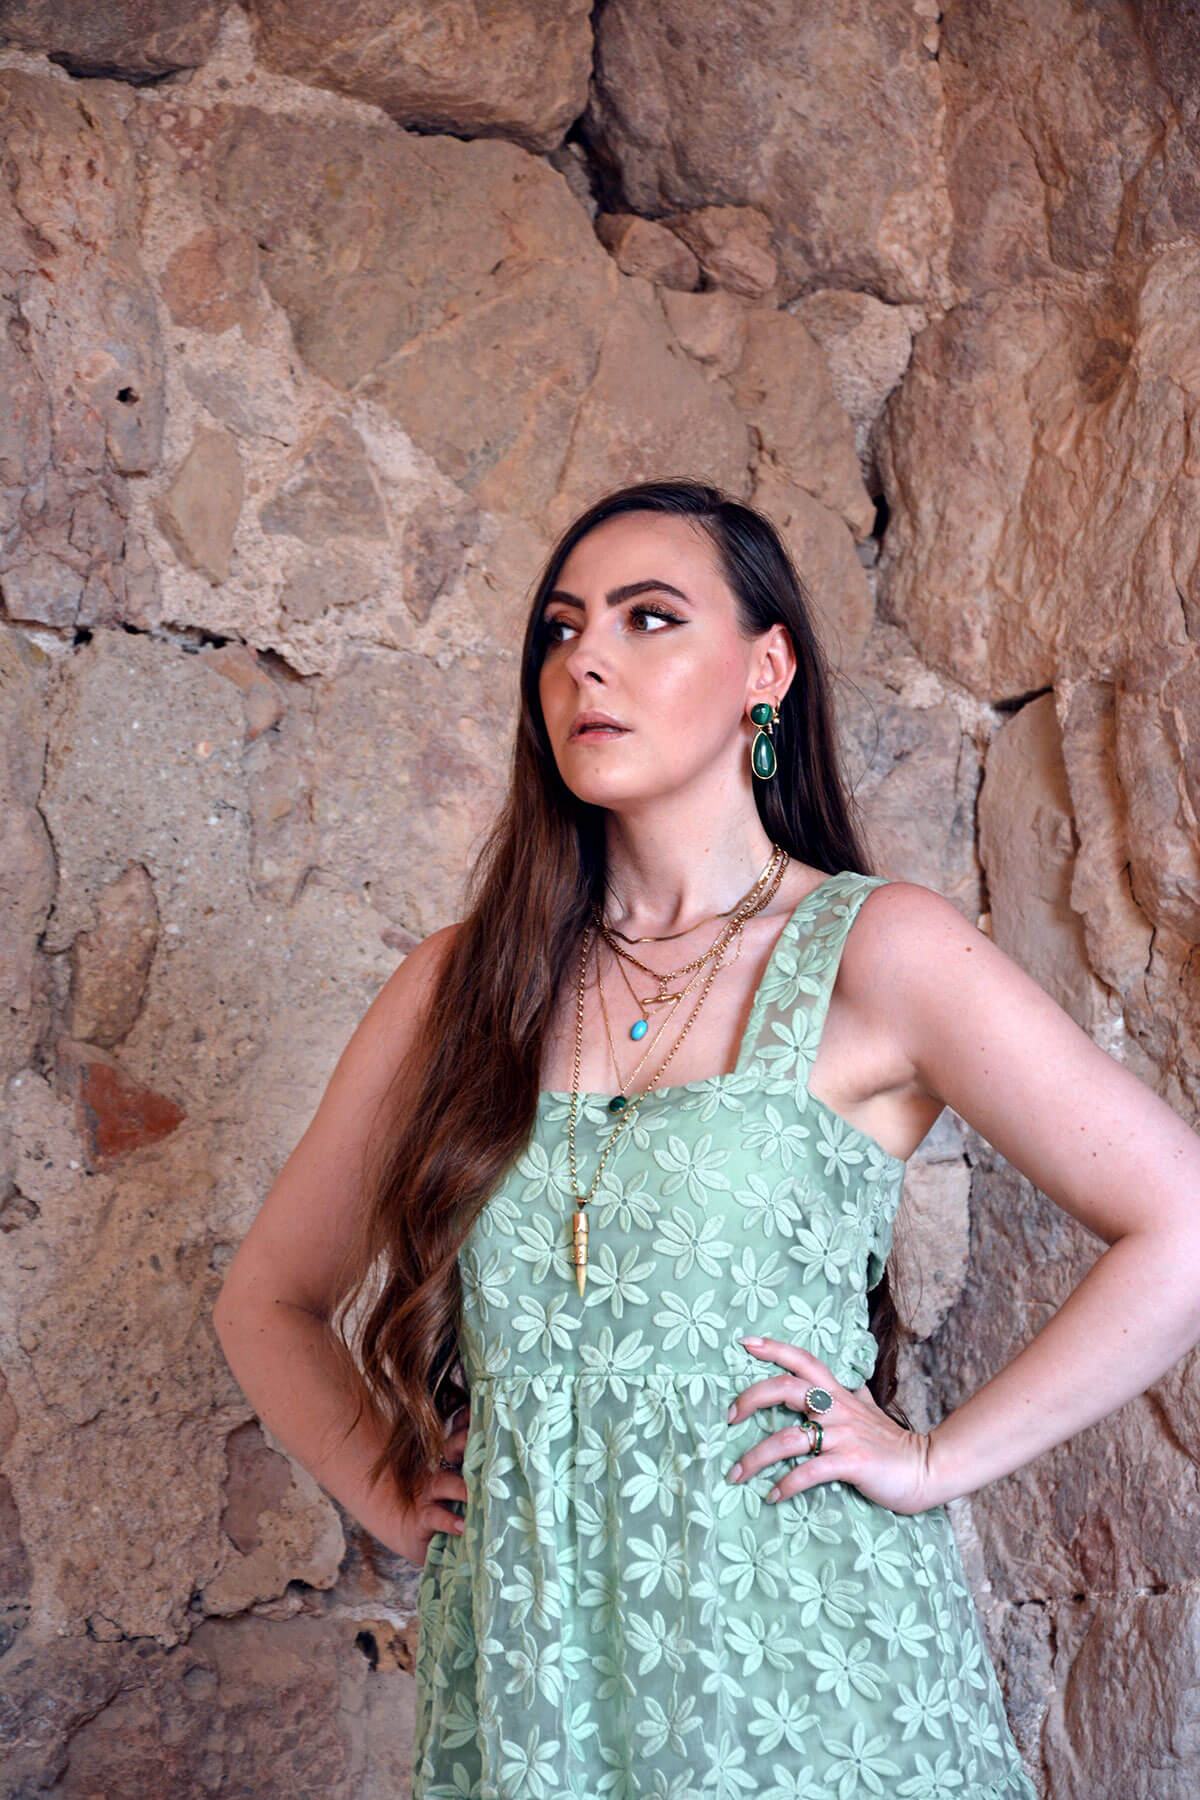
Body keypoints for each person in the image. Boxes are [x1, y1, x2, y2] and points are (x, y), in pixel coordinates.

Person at [214, 478, 1200, 1798]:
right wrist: (395, 1497)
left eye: (649, 617)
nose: (588, 660)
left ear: (766, 669)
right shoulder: (464, 987)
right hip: (538, 1682)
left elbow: (1180, 1221)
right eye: (562, 629)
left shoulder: (877, 952)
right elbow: (265, 1302)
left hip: (807, 1667)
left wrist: (932, 1460)